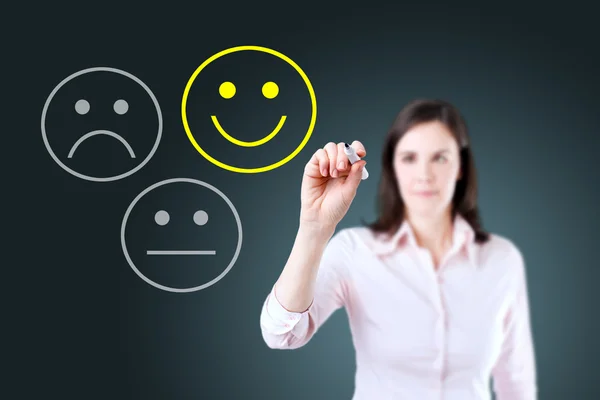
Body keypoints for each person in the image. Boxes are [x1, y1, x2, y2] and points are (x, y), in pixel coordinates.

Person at [259, 99, 537, 399]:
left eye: (440, 158)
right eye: (409, 158)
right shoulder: (355, 251)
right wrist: (315, 228)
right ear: (393, 167)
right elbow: (281, 334)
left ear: (460, 166)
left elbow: (516, 381)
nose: (425, 175)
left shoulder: (502, 259)